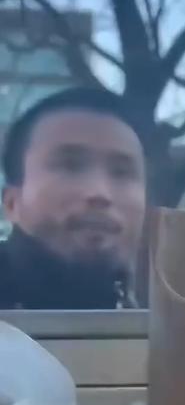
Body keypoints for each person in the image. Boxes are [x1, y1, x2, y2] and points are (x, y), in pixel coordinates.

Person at [0, 87, 146, 309]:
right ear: (12, 203)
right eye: (70, 166)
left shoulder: (175, 319)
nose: (100, 193)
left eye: (121, 172)